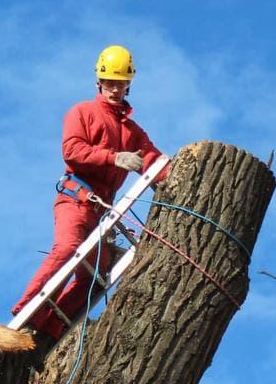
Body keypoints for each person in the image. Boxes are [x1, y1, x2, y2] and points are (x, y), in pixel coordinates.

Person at [12, 44, 165, 343]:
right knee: (68, 250)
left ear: (128, 85)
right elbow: (72, 151)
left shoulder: (133, 132)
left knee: (96, 277)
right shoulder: (82, 112)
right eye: (110, 82)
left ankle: (49, 331)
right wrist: (114, 157)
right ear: (99, 82)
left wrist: (176, 174)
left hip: (99, 213)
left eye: (120, 83)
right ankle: (30, 311)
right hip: (75, 199)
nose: (114, 89)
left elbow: (154, 162)